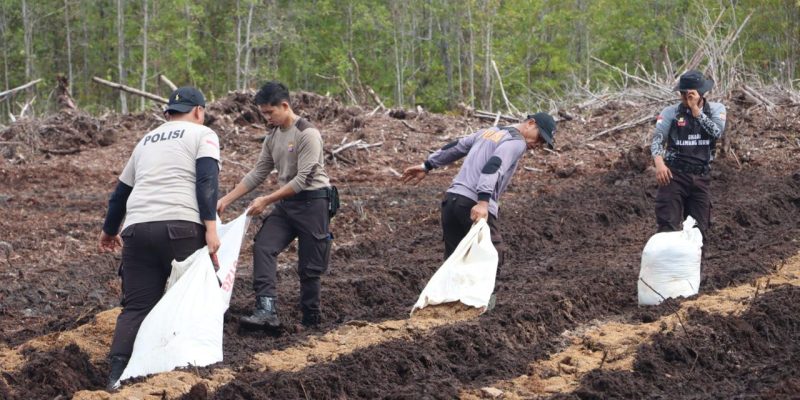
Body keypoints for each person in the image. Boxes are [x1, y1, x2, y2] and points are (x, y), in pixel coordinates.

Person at [98, 87, 221, 391]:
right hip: (181, 228)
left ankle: (116, 375)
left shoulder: (145, 141)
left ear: (168, 114)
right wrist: (211, 228)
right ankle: (184, 372)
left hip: (137, 231)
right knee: (189, 299)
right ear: (199, 111)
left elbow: (120, 194)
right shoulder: (203, 134)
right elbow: (206, 181)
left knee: (137, 307)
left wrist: (109, 230)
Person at [401, 112, 556, 307]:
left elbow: (457, 146)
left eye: (543, 143)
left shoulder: (490, 132)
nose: (538, 144)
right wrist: (483, 202)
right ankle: (481, 306)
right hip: (473, 203)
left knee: (454, 259)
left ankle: (446, 308)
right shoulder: (517, 142)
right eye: (540, 137)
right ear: (530, 123)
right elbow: (494, 166)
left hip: (452, 201)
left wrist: (428, 164)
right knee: (494, 253)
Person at [217, 81, 334, 330]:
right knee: (264, 247)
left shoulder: (307, 133)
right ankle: (266, 310)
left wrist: (267, 199)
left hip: (313, 202)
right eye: (264, 114)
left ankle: (311, 320)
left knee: (310, 266)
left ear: (285, 105)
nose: (267, 118)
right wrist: (225, 200)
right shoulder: (272, 136)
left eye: (270, 113)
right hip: (287, 205)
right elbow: (258, 172)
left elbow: (303, 179)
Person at [651, 70, 726, 241]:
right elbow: (657, 139)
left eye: (690, 94)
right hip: (674, 175)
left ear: (701, 93)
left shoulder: (716, 109)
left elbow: (716, 133)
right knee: (667, 226)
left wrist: (696, 111)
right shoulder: (671, 112)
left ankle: (695, 268)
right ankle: (667, 267)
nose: (685, 98)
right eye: (683, 94)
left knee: (698, 232)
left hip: (701, 176)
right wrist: (659, 162)